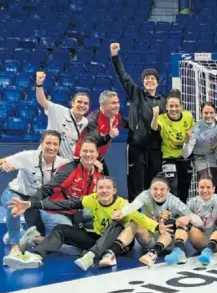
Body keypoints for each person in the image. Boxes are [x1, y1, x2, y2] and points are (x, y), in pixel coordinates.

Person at [4, 176, 160, 270]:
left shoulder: (123, 204)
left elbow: (141, 220)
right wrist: (31, 204)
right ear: (96, 190)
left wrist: (159, 227)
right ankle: (36, 256)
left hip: (118, 245)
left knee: (118, 224)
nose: (104, 191)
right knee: (61, 229)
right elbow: (64, 204)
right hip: (98, 239)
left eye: (107, 188)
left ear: (114, 190)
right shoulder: (92, 200)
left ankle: (91, 256)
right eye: (100, 188)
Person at [0, 131, 71, 266]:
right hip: (16, 193)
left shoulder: (63, 163)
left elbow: (82, 166)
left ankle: (19, 233)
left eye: (55, 144)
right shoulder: (28, 156)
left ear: (59, 146)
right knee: (14, 207)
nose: (51, 147)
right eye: (48, 143)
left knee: (42, 234)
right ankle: (15, 248)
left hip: (36, 201)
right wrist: (2, 164)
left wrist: (97, 163)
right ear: (42, 143)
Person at [110, 43, 166, 201]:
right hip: (136, 147)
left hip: (156, 149)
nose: (149, 80)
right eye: (146, 78)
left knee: (154, 186)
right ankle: (135, 219)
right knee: (136, 185)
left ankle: (152, 218)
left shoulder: (164, 101)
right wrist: (115, 56)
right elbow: (124, 76)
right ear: (143, 82)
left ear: (157, 82)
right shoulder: (136, 93)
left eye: (152, 78)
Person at [113, 177, 194, 267]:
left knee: (177, 222)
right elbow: (132, 206)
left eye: (162, 189)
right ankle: (111, 252)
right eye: (155, 189)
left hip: (169, 241)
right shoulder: (145, 196)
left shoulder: (175, 202)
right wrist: (121, 213)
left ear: (168, 191)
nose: (158, 192)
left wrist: (179, 220)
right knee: (134, 222)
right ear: (150, 189)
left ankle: (157, 253)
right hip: (150, 239)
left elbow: (192, 217)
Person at [150, 89, 194, 199]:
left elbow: (194, 134)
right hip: (168, 157)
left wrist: (190, 137)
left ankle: (182, 214)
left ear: (181, 107)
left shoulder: (188, 116)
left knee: (184, 189)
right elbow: (154, 128)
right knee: (172, 188)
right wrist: (155, 115)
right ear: (166, 107)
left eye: (176, 106)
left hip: (184, 157)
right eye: (171, 106)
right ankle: (172, 215)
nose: (174, 109)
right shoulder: (161, 118)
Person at [35, 71, 89, 159]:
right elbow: (42, 100)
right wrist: (39, 84)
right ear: (72, 103)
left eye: (85, 103)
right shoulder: (58, 110)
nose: (82, 105)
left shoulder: (85, 122)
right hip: (45, 159)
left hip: (65, 162)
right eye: (79, 102)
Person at [74, 90, 125, 176]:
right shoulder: (92, 120)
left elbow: (124, 123)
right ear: (102, 105)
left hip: (98, 156)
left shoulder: (115, 115)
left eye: (117, 103)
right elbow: (91, 142)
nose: (117, 106)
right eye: (113, 103)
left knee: (106, 185)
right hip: (83, 158)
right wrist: (110, 135)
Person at [183, 102, 217, 197]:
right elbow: (185, 154)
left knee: (214, 180)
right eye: (206, 113)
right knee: (205, 181)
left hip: (213, 154)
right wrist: (187, 139)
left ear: (215, 113)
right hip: (199, 156)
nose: (209, 115)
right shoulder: (196, 129)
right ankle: (203, 205)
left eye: (211, 112)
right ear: (201, 113)